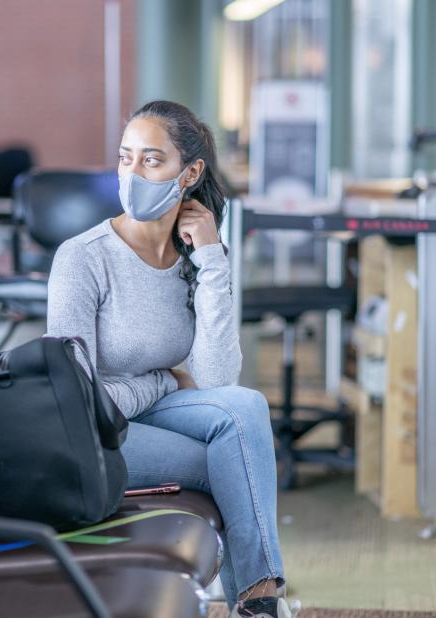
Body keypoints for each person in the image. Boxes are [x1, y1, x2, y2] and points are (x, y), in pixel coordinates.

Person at [47, 100, 298, 618]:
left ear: (190, 174)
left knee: (245, 407)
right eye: (125, 158)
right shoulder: (83, 258)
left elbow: (215, 379)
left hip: (146, 410)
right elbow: (75, 396)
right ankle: (260, 602)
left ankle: (258, 601)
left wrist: (211, 259)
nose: (132, 173)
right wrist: (164, 381)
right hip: (92, 430)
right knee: (230, 462)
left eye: (151, 161)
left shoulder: (191, 260)